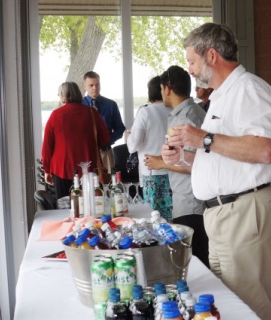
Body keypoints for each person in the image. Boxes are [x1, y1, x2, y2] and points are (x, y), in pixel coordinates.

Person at [162, 23, 271, 320]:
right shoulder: (221, 97)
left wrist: (201, 138)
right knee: (230, 306)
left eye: (191, 61)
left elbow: (265, 149)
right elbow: (223, 157)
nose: (189, 70)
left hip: (243, 211)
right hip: (223, 214)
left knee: (252, 309)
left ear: (212, 56)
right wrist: (184, 159)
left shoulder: (249, 90)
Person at [145, 66, 210, 267]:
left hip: (191, 200)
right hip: (188, 198)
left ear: (168, 88)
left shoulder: (186, 117)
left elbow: (196, 164)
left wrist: (160, 163)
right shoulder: (187, 112)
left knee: (197, 260)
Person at [42, 81, 110, 200]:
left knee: (65, 207)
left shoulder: (55, 115)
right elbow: (105, 139)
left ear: (63, 96)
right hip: (89, 168)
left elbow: (47, 147)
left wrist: (47, 170)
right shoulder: (92, 113)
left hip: (61, 168)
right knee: (90, 207)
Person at [125, 76, 172, 217]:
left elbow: (133, 145)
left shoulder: (145, 112)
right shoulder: (173, 110)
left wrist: (128, 136)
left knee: (154, 217)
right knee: (171, 215)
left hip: (151, 173)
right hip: (174, 171)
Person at [83, 71, 126, 174]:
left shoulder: (111, 105)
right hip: (86, 153)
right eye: (91, 85)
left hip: (105, 152)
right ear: (84, 86)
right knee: (87, 185)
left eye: (97, 84)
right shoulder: (80, 106)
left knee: (108, 185)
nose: (95, 87)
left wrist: (107, 140)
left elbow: (120, 128)